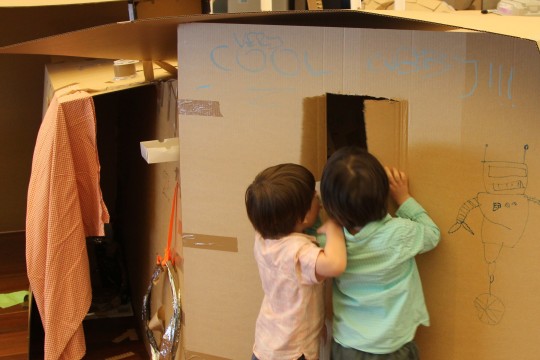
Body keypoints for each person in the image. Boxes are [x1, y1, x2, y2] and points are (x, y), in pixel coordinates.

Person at [320, 146, 441, 360]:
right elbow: (432, 235)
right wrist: (404, 199)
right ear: (384, 192)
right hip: (393, 345)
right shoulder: (400, 233)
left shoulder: (329, 243)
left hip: (348, 344)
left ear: (329, 205)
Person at [245, 163, 347, 360]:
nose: (317, 197)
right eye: (313, 197)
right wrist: (334, 227)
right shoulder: (299, 253)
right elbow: (335, 264)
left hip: (267, 343)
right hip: (293, 352)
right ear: (304, 217)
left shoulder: (262, 237)